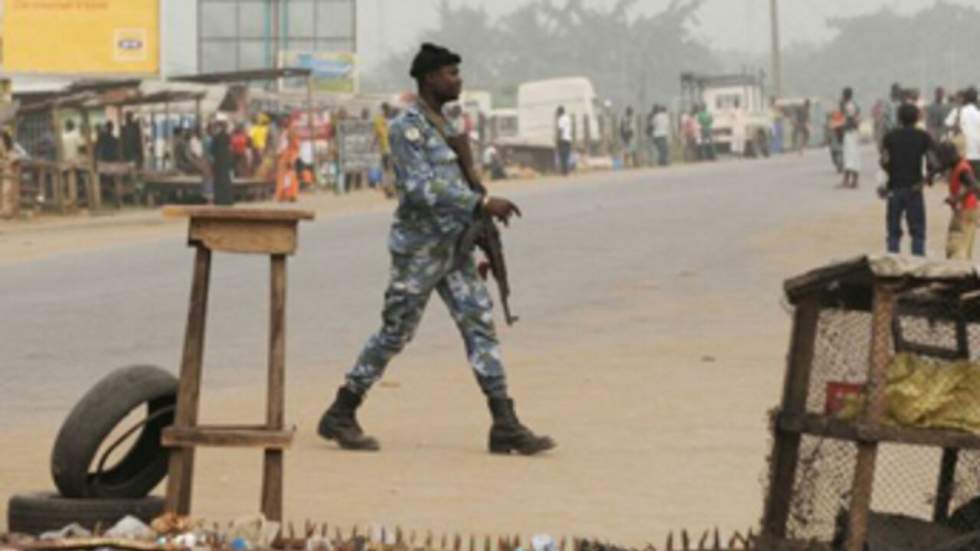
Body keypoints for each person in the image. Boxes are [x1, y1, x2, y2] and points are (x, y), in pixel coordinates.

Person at [316, 42, 555, 455]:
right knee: (396, 332)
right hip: (420, 251)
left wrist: (476, 218)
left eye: (457, 73)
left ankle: (505, 422)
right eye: (450, 73)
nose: (457, 80)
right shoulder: (407, 127)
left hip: (454, 247)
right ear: (428, 79)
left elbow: (458, 183)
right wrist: (479, 203)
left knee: (479, 323)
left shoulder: (445, 126)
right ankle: (342, 410)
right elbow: (418, 189)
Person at [879, 103, 938, 256]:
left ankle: (893, 264)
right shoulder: (923, 137)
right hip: (914, 188)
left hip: (895, 188)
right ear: (917, 118)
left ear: (899, 118)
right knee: (918, 231)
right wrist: (927, 179)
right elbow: (933, 163)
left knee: (893, 231)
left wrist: (890, 175)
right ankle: (917, 265)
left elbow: (884, 161)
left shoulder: (890, 137)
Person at [936, 142, 978, 259]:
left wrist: (956, 198)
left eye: (942, 158)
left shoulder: (962, 169)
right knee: (965, 245)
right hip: (968, 209)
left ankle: (957, 271)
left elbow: (974, 186)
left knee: (956, 245)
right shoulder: (957, 165)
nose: (942, 161)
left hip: (965, 211)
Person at [210, 115, 234, 206]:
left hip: (218, 162)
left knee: (219, 181)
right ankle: (228, 199)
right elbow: (229, 148)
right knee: (226, 180)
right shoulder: (227, 136)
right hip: (226, 161)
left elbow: (212, 150)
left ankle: (219, 200)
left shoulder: (216, 137)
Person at [840, 87, 862, 188]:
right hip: (854, 133)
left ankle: (849, 181)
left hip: (850, 133)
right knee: (854, 156)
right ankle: (852, 181)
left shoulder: (848, 106)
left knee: (849, 157)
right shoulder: (854, 104)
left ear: (845, 95)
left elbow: (850, 119)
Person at [958, 87, 980, 177]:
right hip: (977, 152)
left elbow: (950, 125)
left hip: (962, 152)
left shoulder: (959, 111)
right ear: (976, 98)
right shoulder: (977, 113)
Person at [555, 106, 572, 175]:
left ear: (560, 112)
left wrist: (558, 138)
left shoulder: (561, 119)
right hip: (568, 138)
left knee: (562, 155)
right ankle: (566, 170)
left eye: (558, 112)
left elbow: (560, 129)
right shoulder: (567, 118)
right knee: (567, 155)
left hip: (563, 139)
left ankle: (564, 171)